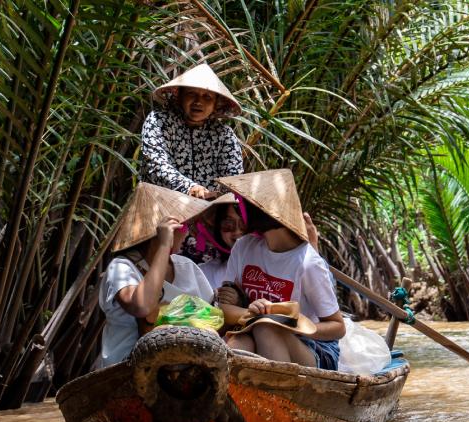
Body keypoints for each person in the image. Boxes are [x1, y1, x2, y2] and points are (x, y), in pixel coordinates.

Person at [215, 169, 345, 370]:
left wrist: (293, 323)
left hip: (314, 348)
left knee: (266, 328)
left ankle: (281, 396)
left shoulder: (308, 263)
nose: (241, 210)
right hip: (255, 331)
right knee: (241, 341)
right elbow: (224, 307)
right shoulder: (244, 247)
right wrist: (253, 312)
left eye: (245, 205)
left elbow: (337, 327)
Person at [96, 183, 215, 368]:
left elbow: (212, 315)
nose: (188, 234)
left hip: (186, 367)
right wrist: (163, 245)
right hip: (127, 369)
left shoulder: (187, 266)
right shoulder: (122, 267)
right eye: (183, 227)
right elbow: (142, 306)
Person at [141, 63, 244, 200]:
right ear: (180, 96)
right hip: (162, 206)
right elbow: (155, 165)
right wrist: (190, 188)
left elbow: (233, 179)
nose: (198, 102)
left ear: (216, 104)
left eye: (207, 97)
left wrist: (218, 199)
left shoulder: (224, 135)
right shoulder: (159, 121)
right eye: (191, 94)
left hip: (207, 212)